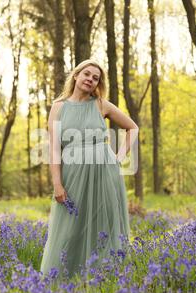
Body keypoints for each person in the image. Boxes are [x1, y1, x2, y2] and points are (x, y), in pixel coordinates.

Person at [40, 59, 138, 280]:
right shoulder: (58, 107)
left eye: (95, 78)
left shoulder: (101, 105)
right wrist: (57, 183)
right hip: (72, 174)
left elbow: (132, 128)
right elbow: (54, 149)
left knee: (105, 223)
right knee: (70, 226)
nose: (90, 80)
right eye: (87, 74)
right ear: (76, 76)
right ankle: (65, 279)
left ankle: (106, 279)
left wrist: (118, 157)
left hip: (104, 173)